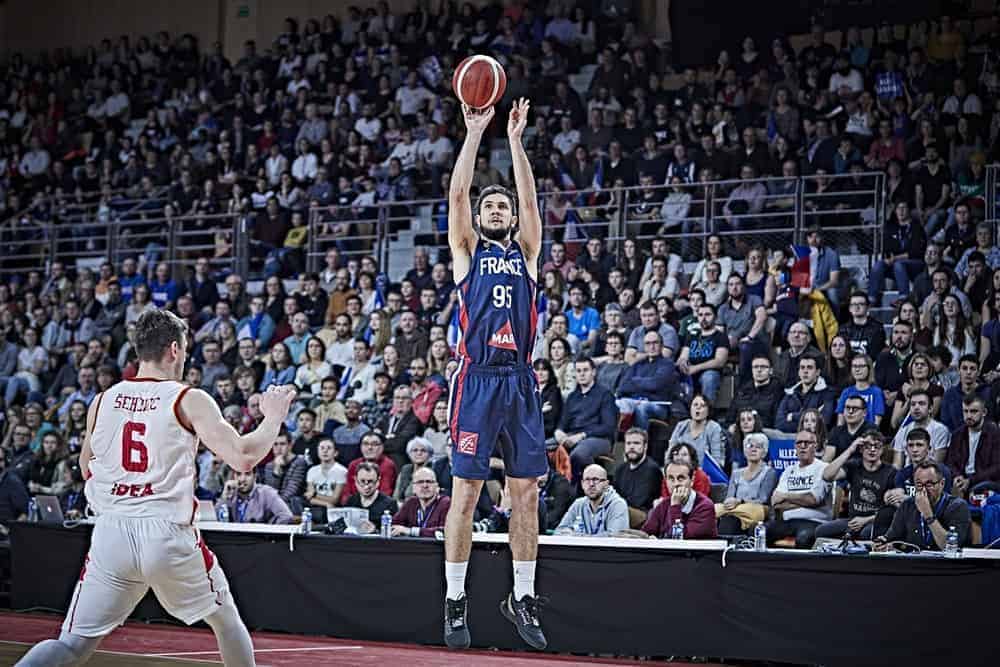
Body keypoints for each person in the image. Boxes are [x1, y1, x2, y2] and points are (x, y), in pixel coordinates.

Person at [17, 309, 296, 667]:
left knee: (70, 645)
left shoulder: (102, 400)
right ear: (175, 350)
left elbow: (86, 467)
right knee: (227, 622)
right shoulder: (187, 398)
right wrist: (273, 417)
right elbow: (243, 457)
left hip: (111, 532)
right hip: (165, 532)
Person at [442, 100, 548, 650]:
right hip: (477, 380)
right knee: (466, 490)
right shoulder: (467, 252)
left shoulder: (527, 253)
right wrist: (474, 133)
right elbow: (458, 194)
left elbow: (530, 199)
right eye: (492, 205)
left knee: (526, 492)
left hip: (520, 381)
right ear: (481, 218)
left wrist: (515, 141)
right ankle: (455, 598)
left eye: (504, 205)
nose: (500, 209)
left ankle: (522, 597)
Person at [874, 461, 971, 551]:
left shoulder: (958, 506)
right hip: (913, 561)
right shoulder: (907, 505)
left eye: (929, 485)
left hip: (945, 563)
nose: (924, 490)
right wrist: (883, 543)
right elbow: (892, 538)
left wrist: (928, 514)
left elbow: (949, 547)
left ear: (942, 484)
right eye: (919, 485)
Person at [816, 433, 894, 540]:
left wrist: (865, 520)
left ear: (882, 450)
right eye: (867, 446)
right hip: (853, 521)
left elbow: (892, 512)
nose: (872, 450)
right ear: (861, 449)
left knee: (865, 534)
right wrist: (850, 450)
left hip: (875, 521)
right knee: (821, 531)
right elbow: (826, 476)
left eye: (877, 446)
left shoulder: (890, 472)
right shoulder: (854, 465)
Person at [766, 430, 832, 548]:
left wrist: (786, 496)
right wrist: (806, 502)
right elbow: (776, 503)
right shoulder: (789, 470)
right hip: (789, 521)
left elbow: (813, 499)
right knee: (759, 531)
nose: (802, 446)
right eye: (799, 443)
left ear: (815, 446)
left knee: (804, 538)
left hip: (815, 521)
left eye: (807, 443)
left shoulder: (824, 469)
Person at [716, 433, 778, 535]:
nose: (753, 449)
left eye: (758, 447)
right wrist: (729, 502)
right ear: (745, 451)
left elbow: (763, 499)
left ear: (764, 452)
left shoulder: (769, 472)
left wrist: (739, 501)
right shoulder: (736, 473)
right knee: (714, 509)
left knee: (731, 516)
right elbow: (729, 498)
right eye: (750, 446)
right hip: (735, 510)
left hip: (755, 509)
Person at [642, 459, 718, 539]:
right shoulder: (663, 505)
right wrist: (649, 538)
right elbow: (646, 532)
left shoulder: (705, 507)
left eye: (681, 478)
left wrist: (675, 506)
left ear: (692, 480)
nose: (676, 484)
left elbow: (680, 538)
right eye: (671, 479)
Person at [944, 395, 1000, 498]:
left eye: (974, 411)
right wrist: (957, 477)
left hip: (984, 481)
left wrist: (970, 481)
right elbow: (950, 462)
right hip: (962, 479)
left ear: (984, 412)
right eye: (965, 411)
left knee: (980, 487)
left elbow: (996, 468)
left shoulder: (995, 434)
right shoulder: (957, 434)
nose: (969, 416)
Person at [554, 463, 629, 536]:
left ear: (606, 484)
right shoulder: (578, 504)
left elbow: (615, 537)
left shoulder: (618, 505)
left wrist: (582, 537)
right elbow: (559, 531)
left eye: (595, 479)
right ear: (582, 484)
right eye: (587, 480)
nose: (591, 484)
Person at [612, 428, 664, 528]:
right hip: (622, 511)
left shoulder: (652, 470)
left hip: (644, 516)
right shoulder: (620, 469)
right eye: (628, 443)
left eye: (636, 443)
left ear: (645, 446)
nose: (631, 447)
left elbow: (639, 502)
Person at [217, 469, 294, 525]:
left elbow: (286, 516)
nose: (242, 479)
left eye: (247, 474)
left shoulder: (266, 493)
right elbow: (217, 520)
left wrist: (267, 530)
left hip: (259, 540)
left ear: (255, 476)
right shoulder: (231, 493)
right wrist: (224, 498)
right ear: (234, 476)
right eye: (238, 474)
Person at [391, 467, 451, 537]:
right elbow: (394, 525)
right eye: (420, 482)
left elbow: (444, 531)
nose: (425, 485)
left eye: (429, 482)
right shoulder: (411, 502)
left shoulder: (445, 503)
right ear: (413, 488)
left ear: (437, 486)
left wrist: (411, 531)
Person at [343, 461, 399, 533]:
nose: (366, 486)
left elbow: (394, 531)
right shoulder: (351, 501)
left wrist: (375, 530)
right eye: (362, 481)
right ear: (356, 480)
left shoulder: (389, 504)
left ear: (378, 481)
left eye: (370, 481)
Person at [304, 438, 347, 519]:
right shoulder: (312, 471)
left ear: (335, 453)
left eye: (329, 448)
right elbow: (309, 498)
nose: (325, 451)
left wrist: (315, 494)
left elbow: (335, 500)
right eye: (322, 448)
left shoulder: (342, 471)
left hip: (335, 508)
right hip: (317, 507)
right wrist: (326, 503)